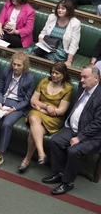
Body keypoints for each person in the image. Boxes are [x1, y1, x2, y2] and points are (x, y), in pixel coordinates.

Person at [42, 65, 101, 195]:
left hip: (92, 136)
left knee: (73, 151)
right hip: (74, 128)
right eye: (81, 77)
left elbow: (98, 123)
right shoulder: (83, 87)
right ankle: (60, 173)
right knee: (55, 141)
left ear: (96, 79)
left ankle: (68, 182)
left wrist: (80, 137)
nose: (81, 80)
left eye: (85, 77)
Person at [18, 62, 73, 173]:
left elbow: (60, 111)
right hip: (39, 113)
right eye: (52, 72)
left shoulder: (68, 88)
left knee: (33, 130)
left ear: (63, 74)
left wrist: (41, 108)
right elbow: (33, 101)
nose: (54, 75)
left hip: (54, 119)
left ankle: (27, 159)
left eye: (57, 73)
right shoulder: (44, 81)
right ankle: (41, 153)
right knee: (33, 119)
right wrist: (46, 107)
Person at [29, 0, 81, 67]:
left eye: (63, 9)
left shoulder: (75, 23)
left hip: (60, 50)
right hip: (46, 46)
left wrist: (69, 61)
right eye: (58, 8)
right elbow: (43, 32)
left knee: (49, 57)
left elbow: (74, 43)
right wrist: (41, 44)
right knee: (32, 52)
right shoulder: (52, 17)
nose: (59, 10)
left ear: (69, 10)